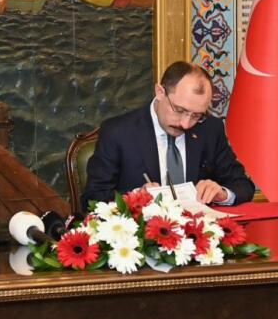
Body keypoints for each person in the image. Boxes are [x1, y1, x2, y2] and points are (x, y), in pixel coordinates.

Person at [82, 61, 256, 208]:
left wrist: (222, 193)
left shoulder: (209, 129)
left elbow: (243, 185)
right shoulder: (118, 132)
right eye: (179, 110)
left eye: (196, 115)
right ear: (160, 92)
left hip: (199, 233)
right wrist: (134, 199)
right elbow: (92, 199)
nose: (185, 124)